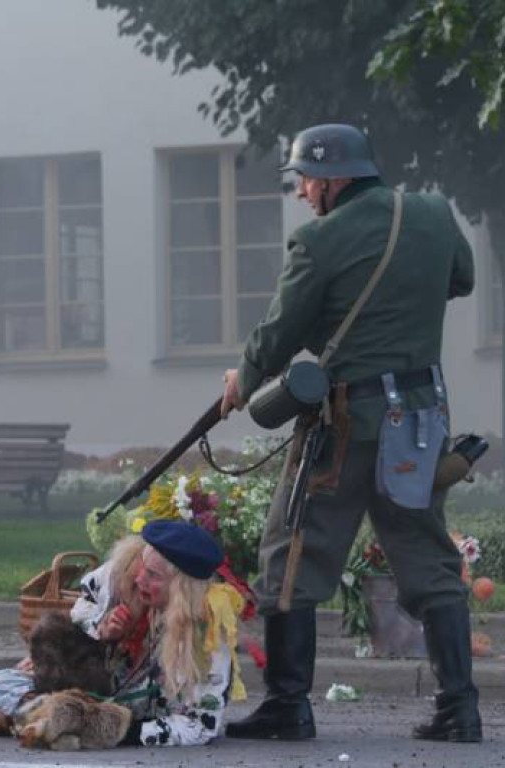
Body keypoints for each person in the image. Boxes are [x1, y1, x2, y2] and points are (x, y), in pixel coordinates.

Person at [220, 124, 479, 743]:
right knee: (428, 557)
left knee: (291, 554)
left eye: (306, 179)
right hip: (420, 421)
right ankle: (459, 709)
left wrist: (243, 379)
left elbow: (281, 330)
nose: (302, 192)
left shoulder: (319, 240)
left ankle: (288, 706)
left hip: (346, 426)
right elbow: (461, 279)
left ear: (334, 177)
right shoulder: (433, 214)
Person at [0, 521, 246, 749]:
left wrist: (117, 730)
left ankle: (47, 721)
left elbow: (200, 727)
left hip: (136, 715)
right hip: (94, 689)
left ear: (182, 588)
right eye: (142, 569)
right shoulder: (123, 573)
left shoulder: (208, 633)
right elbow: (81, 609)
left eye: (153, 576)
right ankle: (48, 719)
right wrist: (103, 631)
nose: (140, 580)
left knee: (10, 700)